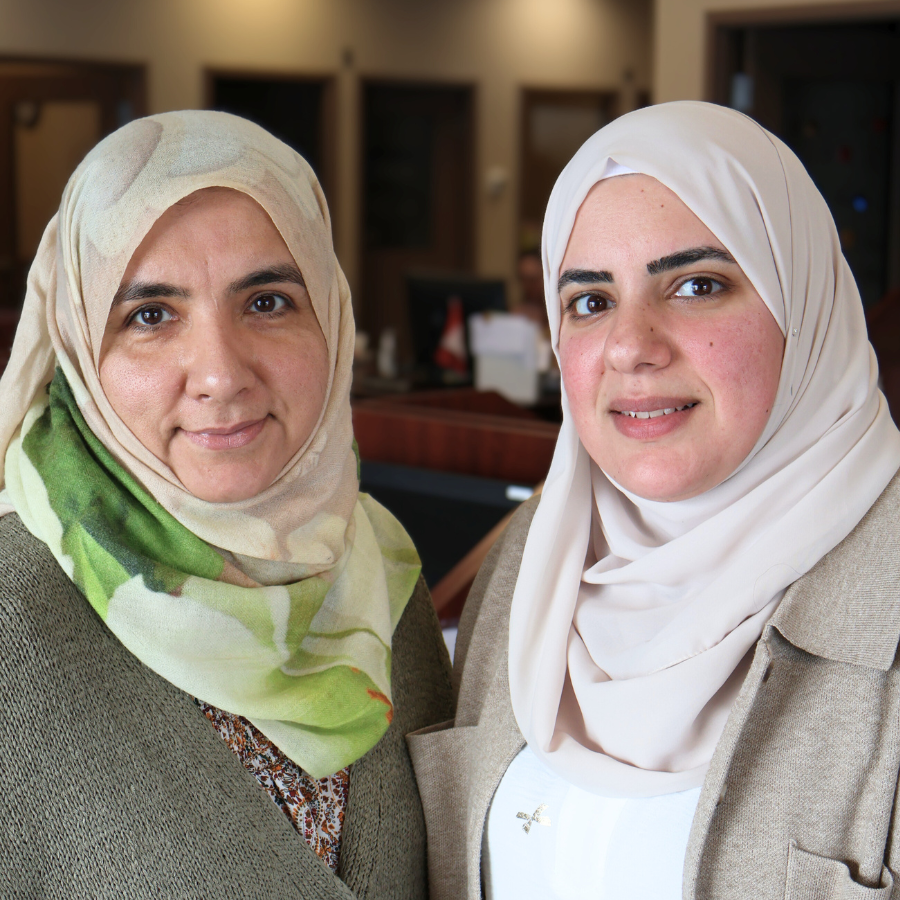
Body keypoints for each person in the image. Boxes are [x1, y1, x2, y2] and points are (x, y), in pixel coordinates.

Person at [408, 100, 900, 900]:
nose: (633, 347)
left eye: (697, 285)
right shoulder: (532, 560)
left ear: (802, 306)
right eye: (591, 301)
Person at [0, 110, 453, 899]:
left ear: (333, 317)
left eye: (269, 302)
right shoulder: (13, 620)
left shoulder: (384, 574)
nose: (219, 373)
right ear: (76, 346)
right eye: (150, 316)